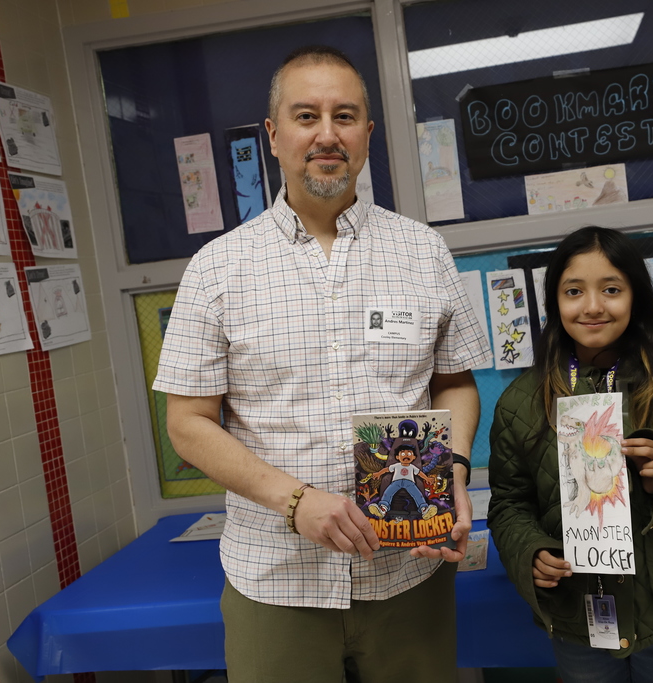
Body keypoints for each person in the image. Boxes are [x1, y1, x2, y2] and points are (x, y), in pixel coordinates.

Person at [154, 45, 491, 683]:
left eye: (345, 116)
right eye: (307, 116)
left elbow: (455, 384)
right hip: (276, 577)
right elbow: (188, 424)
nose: (327, 134)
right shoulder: (218, 268)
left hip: (408, 572)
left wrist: (456, 471)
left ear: (368, 134)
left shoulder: (423, 252)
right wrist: (296, 501)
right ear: (274, 136)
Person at [487, 226, 653, 683]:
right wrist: (529, 552)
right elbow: (509, 504)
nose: (592, 306)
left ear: (636, 298)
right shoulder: (520, 403)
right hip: (578, 617)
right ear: (554, 303)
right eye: (573, 291)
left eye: (611, 289)